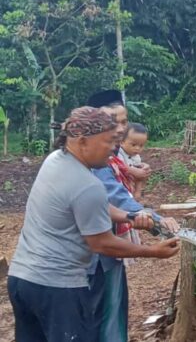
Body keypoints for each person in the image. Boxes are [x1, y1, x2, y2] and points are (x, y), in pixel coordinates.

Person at [6, 107, 180, 342]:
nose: (113, 148)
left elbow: (92, 207)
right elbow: (102, 244)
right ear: (83, 141)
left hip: (22, 279)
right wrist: (152, 251)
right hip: (58, 288)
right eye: (108, 141)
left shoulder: (55, 161)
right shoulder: (88, 185)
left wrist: (128, 217)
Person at [86, 90, 180, 342]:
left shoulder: (113, 157)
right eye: (112, 121)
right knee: (100, 318)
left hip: (107, 250)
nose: (119, 128)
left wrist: (143, 215)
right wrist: (155, 221)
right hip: (93, 255)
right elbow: (115, 197)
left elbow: (117, 203)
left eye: (123, 121)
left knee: (110, 312)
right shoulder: (95, 160)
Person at [119, 123, 151, 199]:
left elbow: (139, 176)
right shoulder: (118, 153)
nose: (137, 148)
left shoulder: (136, 157)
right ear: (121, 142)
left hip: (129, 187)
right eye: (133, 145)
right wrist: (133, 171)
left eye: (141, 145)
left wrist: (138, 191)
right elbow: (119, 166)